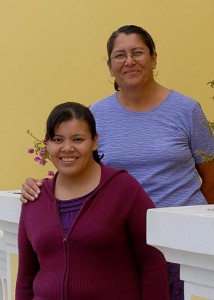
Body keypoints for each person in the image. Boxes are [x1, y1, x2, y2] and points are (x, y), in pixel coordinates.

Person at [20, 25, 214, 300]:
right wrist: (39, 186)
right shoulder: (97, 114)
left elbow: (210, 176)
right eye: (120, 55)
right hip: (120, 245)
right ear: (110, 66)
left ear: (154, 58)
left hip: (180, 246)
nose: (129, 61)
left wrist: (183, 223)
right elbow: (80, 167)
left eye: (138, 52)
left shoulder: (187, 110)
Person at [16, 101, 169, 300]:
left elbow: (153, 265)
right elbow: (26, 277)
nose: (67, 148)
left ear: (94, 141)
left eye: (78, 139)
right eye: (58, 139)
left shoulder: (123, 190)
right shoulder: (35, 197)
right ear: (47, 144)